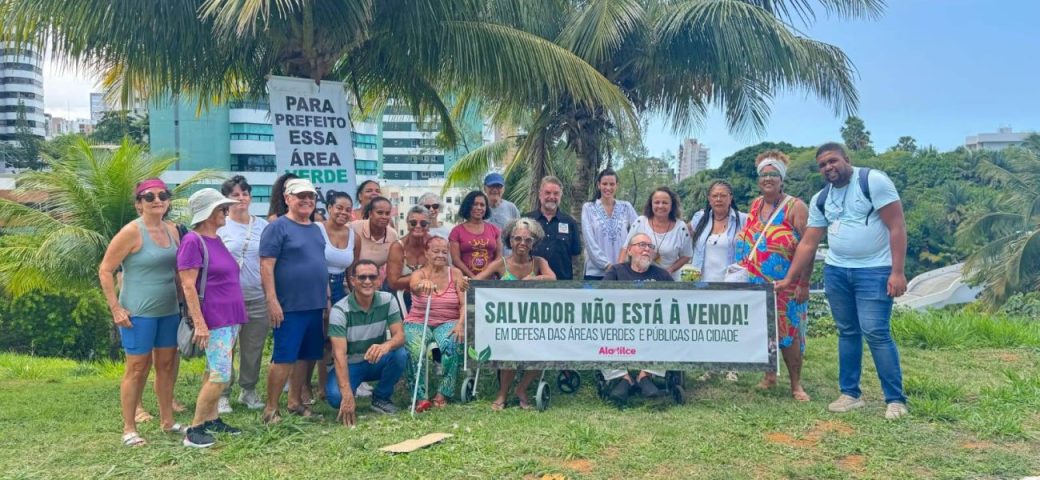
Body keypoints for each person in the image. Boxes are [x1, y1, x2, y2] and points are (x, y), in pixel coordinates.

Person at [776, 142, 909, 419]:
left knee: (876, 331)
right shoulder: (821, 199)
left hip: (874, 270)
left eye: (833, 161)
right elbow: (809, 242)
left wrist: (897, 272)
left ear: (846, 159)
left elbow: (897, 226)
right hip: (837, 270)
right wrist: (791, 278)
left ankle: (895, 400)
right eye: (823, 165)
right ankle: (850, 393)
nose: (828, 167)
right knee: (847, 332)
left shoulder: (872, 181)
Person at [98, 178, 182, 446]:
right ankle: (129, 428)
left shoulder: (173, 231)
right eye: (149, 197)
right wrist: (116, 308)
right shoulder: (131, 232)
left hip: (168, 309)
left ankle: (167, 420)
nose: (157, 200)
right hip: (138, 312)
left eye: (162, 195)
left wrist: (186, 305)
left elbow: (178, 272)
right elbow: (105, 270)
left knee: (167, 366)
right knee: (137, 368)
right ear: (139, 204)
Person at [734, 150, 811, 401]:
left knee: (789, 334)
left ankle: (796, 384)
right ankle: (769, 376)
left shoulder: (795, 206)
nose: (768, 179)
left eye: (773, 175)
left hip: (786, 285)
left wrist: (802, 283)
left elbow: (807, 248)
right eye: (764, 175)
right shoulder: (756, 205)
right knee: (764, 331)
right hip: (757, 283)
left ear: (782, 179)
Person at [177, 188, 247, 448]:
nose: (226, 212)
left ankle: (212, 418)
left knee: (214, 370)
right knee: (220, 375)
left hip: (230, 317)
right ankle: (194, 429)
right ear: (207, 213)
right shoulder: (193, 241)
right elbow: (188, 285)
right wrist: (200, 322)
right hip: (214, 319)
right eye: (221, 208)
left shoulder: (215, 239)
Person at [258, 178, 329, 423]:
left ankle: (295, 402)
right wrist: (272, 300)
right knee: (284, 356)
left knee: (307, 356)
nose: (307, 200)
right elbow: (266, 266)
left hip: (315, 304)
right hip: (289, 305)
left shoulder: (316, 228)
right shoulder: (277, 227)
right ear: (288, 199)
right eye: (301, 196)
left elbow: (320, 264)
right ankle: (270, 409)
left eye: (311, 196)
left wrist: (326, 298)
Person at [476, 218, 556, 410]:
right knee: (509, 347)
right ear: (509, 241)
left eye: (528, 240)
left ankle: (521, 389)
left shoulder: (538, 262)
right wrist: (463, 281)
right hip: (506, 322)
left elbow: (552, 278)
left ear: (533, 243)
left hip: (533, 320)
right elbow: (476, 281)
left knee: (546, 346)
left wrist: (534, 278)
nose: (522, 243)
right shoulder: (500, 264)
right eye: (517, 238)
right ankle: (502, 394)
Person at [326, 260, 409, 425]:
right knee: (337, 398)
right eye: (362, 277)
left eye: (372, 277)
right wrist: (347, 393)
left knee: (400, 354)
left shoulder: (388, 300)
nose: (367, 281)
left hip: (374, 359)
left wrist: (385, 346)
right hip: (350, 364)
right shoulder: (339, 310)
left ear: (379, 280)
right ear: (353, 280)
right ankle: (351, 392)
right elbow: (339, 354)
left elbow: (400, 336)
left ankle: (381, 397)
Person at [216, 176, 270, 412]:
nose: (241, 199)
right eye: (235, 195)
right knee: (225, 346)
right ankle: (222, 392)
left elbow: (269, 262)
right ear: (226, 199)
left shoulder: (263, 226)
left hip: (257, 294)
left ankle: (248, 389)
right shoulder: (219, 226)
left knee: (253, 346)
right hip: (227, 298)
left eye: (244, 194)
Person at [688, 180, 748, 382]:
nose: (719, 199)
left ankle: (733, 367)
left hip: (732, 280)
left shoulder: (743, 220)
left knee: (731, 325)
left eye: (723, 195)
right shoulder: (700, 219)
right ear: (709, 198)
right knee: (708, 326)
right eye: (715, 195)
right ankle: (711, 366)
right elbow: (684, 236)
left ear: (731, 197)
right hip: (705, 281)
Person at [602, 233, 672, 403]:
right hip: (620, 323)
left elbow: (674, 301)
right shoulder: (616, 271)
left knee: (671, 332)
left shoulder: (662, 275)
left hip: (652, 325)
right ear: (630, 250)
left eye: (650, 246)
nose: (647, 249)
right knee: (600, 331)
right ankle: (623, 378)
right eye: (642, 245)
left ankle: (645, 375)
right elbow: (601, 295)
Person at [405, 236, 465, 412]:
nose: (440, 255)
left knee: (451, 343)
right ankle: (419, 397)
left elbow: (463, 303)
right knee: (415, 350)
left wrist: (460, 324)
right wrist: (423, 284)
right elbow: (414, 285)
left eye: (444, 252)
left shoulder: (455, 274)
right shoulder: (419, 273)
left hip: (447, 321)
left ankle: (443, 393)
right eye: (436, 251)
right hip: (418, 321)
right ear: (426, 252)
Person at [311, 191, 362, 401]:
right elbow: (315, 264)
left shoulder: (353, 236)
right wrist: (326, 298)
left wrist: (355, 294)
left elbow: (352, 270)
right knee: (320, 338)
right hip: (316, 285)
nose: (343, 212)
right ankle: (318, 386)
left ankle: (340, 383)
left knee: (338, 338)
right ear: (329, 208)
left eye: (348, 209)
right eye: (339, 207)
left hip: (341, 286)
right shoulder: (317, 230)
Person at [623, 187, 693, 281]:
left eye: (665, 203)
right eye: (657, 202)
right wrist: (619, 273)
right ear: (651, 204)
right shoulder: (640, 222)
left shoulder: (681, 228)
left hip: (669, 280)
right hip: (640, 279)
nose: (660, 206)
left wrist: (670, 270)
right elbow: (626, 248)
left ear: (672, 205)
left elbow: (686, 255)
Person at [581, 168, 637, 280]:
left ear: (617, 185)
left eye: (612, 184)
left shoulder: (626, 207)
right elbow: (589, 242)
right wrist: (607, 266)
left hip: (623, 272)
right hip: (596, 273)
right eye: (604, 184)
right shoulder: (589, 208)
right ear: (598, 185)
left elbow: (638, 233)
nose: (608, 188)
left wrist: (625, 261)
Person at [525, 176, 582, 280]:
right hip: (531, 282)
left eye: (556, 193)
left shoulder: (570, 223)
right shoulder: (527, 220)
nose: (552, 197)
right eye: (547, 193)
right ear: (540, 194)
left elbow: (576, 253)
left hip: (562, 284)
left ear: (561, 195)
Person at [388, 205, 433, 311]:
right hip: (402, 297)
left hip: (429, 297)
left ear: (429, 226)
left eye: (423, 223)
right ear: (407, 225)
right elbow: (393, 283)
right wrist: (423, 277)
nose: (418, 226)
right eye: (413, 223)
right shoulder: (398, 247)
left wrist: (409, 279)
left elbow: (441, 275)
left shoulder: (434, 245)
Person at [450, 191, 502, 277]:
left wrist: (485, 275)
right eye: (475, 204)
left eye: (482, 205)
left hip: (490, 281)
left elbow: (499, 258)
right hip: (466, 282)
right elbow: (456, 260)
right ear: (468, 206)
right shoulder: (456, 231)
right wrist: (474, 279)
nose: (479, 208)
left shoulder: (494, 230)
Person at [350, 196, 399, 286]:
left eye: (387, 213)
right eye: (380, 213)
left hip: (373, 284)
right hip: (350, 282)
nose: (384, 217)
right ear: (370, 214)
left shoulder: (393, 235)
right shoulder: (354, 227)